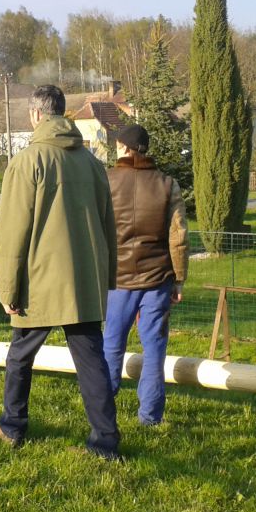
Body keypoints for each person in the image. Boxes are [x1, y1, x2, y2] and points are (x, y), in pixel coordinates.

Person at [0, 84, 121, 460]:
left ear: (35, 115)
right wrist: (107, 278)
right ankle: (105, 441)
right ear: (62, 113)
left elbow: (11, 232)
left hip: (39, 284)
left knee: (20, 357)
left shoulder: (27, 161)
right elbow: (108, 226)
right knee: (91, 362)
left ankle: (12, 426)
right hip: (83, 282)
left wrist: (8, 289)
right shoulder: (92, 163)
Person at [102, 124, 189, 426]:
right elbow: (178, 236)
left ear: (125, 148)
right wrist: (179, 278)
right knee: (154, 350)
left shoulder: (106, 181)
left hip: (117, 280)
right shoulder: (167, 184)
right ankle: (150, 417)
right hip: (157, 280)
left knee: (112, 344)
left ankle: (103, 412)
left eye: (117, 144)